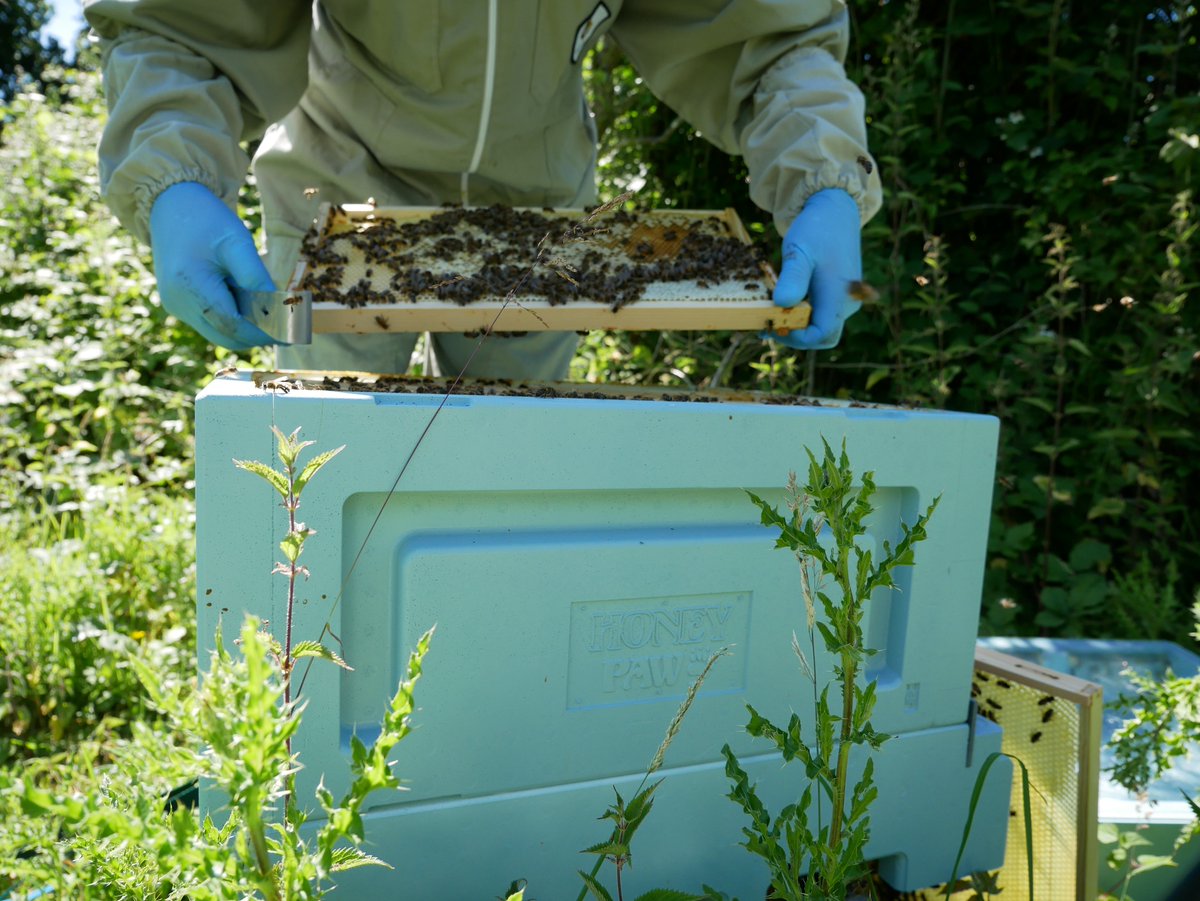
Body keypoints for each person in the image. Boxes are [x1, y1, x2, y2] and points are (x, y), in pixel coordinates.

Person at [82, 0, 882, 380]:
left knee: (501, 494)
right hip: (338, 188)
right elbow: (184, 23)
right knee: (322, 496)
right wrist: (172, 178)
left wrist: (825, 180)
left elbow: (764, 31)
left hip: (537, 212)